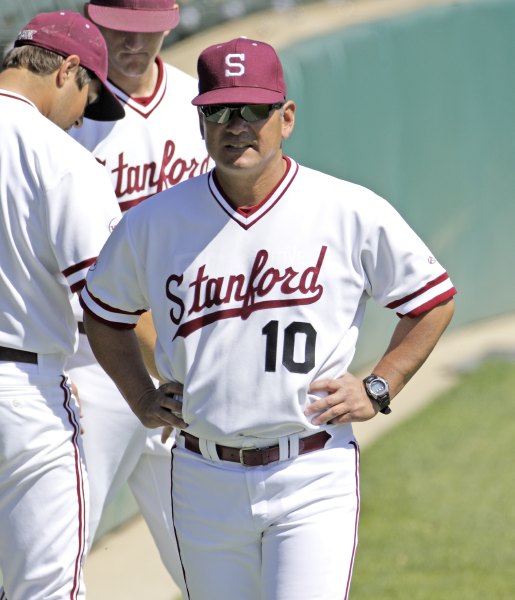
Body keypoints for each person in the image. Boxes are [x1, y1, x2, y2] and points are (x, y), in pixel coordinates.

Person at [80, 37, 457, 600]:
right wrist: (140, 396)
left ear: (287, 118)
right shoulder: (155, 222)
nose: (236, 126)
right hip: (203, 472)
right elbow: (103, 313)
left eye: (254, 109)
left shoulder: (347, 208)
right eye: (219, 112)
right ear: (200, 121)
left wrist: (380, 385)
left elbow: (431, 300)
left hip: (311, 468)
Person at [63, 0, 210, 592]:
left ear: (171, 23)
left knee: (210, 563)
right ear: (93, 19)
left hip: (183, 358)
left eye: (144, 31)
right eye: (117, 29)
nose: (130, 43)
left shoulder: (201, 104)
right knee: (54, 556)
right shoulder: (70, 111)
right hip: (90, 360)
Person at [0, 10, 123, 600]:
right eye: (87, 99)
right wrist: (170, 382)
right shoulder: (61, 158)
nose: (80, 120)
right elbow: (112, 307)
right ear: (67, 69)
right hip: (22, 394)